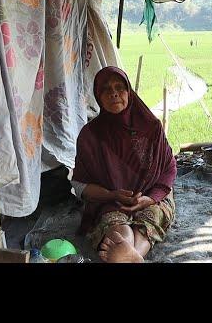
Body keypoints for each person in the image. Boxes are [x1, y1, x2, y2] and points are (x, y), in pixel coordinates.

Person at [72, 66, 176, 263]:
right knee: (118, 230)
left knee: (149, 220)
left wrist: (150, 198)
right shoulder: (90, 135)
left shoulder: (151, 126)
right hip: (110, 200)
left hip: (152, 195)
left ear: (129, 92)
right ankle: (134, 257)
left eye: (119, 87)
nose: (114, 93)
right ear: (98, 96)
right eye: (106, 89)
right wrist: (112, 195)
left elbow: (169, 168)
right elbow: (80, 185)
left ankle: (128, 257)